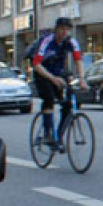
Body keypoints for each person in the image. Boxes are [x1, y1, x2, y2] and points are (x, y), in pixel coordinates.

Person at [32, 17, 86, 149]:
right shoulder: (47, 41)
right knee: (49, 99)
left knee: (68, 105)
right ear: (56, 29)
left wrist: (82, 79)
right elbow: (36, 64)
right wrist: (52, 78)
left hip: (58, 74)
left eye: (67, 29)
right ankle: (47, 133)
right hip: (42, 73)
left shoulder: (71, 42)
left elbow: (78, 60)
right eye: (62, 29)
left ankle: (58, 136)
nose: (64, 32)